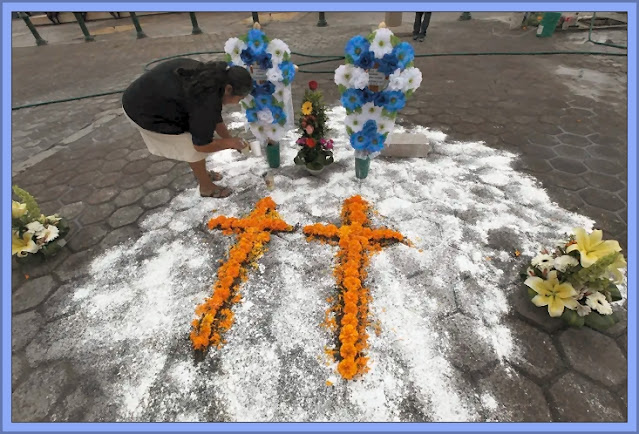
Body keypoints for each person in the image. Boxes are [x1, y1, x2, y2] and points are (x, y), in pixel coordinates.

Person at [122, 59, 251, 198]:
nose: (238, 102)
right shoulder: (205, 101)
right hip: (143, 111)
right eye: (240, 98)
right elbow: (201, 145)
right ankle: (206, 187)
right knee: (190, 144)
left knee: (198, 131)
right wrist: (229, 143)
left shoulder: (212, 78)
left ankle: (202, 173)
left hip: (146, 96)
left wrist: (228, 138)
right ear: (228, 89)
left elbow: (214, 115)